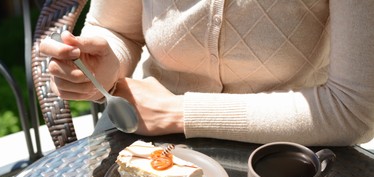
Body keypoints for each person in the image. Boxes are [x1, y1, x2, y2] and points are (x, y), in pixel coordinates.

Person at [39, 0, 374, 146]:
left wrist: (179, 112)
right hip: (146, 131)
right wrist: (103, 66)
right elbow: (116, 29)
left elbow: (354, 110)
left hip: (286, 151)